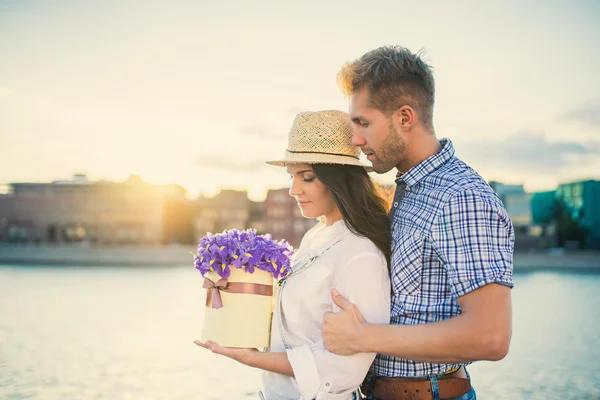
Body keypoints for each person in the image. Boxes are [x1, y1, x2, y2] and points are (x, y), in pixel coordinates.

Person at [321, 46, 515, 400]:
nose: (356, 140)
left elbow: (491, 336)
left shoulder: (460, 197)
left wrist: (362, 337)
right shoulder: (409, 188)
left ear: (405, 118)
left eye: (363, 123)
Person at [194, 109, 392, 399]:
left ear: (339, 180)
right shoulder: (315, 236)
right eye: (291, 177)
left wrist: (249, 357)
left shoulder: (361, 254)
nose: (293, 190)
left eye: (307, 177)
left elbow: (345, 368)